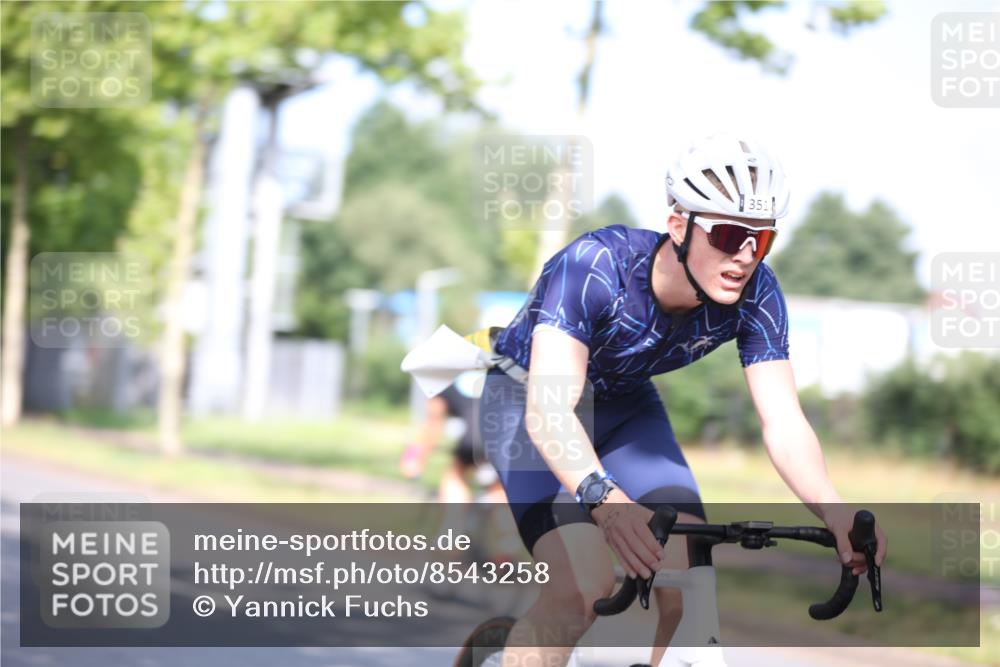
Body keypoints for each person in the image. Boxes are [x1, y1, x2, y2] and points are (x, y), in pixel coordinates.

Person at [478, 134, 888, 667]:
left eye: (760, 241)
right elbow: (550, 410)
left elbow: (784, 420)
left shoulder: (757, 293)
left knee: (691, 583)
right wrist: (606, 500)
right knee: (582, 588)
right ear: (679, 226)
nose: (743, 257)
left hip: (627, 408)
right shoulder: (594, 265)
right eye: (727, 234)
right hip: (527, 400)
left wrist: (834, 509)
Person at [400, 370, 504, 504]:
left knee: (455, 475)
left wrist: (416, 458)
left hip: (470, 441)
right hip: (502, 438)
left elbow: (433, 425)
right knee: (499, 487)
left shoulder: (445, 380)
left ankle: (454, 520)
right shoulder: (499, 371)